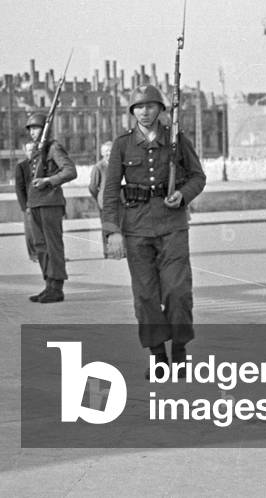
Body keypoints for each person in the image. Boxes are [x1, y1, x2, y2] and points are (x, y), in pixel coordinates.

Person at [101, 85, 206, 372]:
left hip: (172, 226)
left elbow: (198, 177)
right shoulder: (122, 145)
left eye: (150, 106)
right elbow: (110, 192)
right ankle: (158, 355)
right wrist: (113, 231)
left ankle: (181, 351)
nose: (145, 112)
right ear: (132, 112)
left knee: (177, 292)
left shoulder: (176, 141)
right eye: (139, 107)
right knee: (145, 296)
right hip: (136, 229)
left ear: (160, 109)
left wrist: (183, 195)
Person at [25, 112, 77, 303]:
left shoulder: (53, 148)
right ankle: (48, 285)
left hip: (50, 203)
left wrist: (49, 180)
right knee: (40, 246)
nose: (33, 132)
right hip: (37, 203)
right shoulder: (37, 150)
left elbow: (70, 171)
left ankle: (57, 288)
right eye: (30, 129)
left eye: (36, 128)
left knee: (53, 246)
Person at [88, 141, 114, 258]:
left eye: (111, 150)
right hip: (104, 202)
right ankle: (107, 252)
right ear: (102, 153)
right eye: (106, 151)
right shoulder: (98, 167)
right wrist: (99, 198)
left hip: (117, 201)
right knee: (107, 227)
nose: (109, 153)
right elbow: (93, 187)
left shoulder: (117, 165)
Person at [14, 141, 38, 262]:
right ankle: (33, 254)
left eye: (34, 149)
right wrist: (25, 206)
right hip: (29, 204)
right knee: (30, 231)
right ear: (25, 151)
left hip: (41, 203)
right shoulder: (21, 167)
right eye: (29, 150)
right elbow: (19, 188)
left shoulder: (41, 165)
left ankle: (47, 254)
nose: (32, 152)